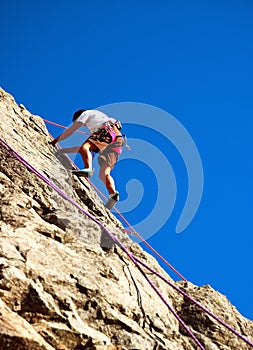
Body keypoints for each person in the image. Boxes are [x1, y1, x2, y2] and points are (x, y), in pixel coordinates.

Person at [50, 109, 124, 206]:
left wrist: (54, 142)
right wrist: (63, 151)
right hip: (118, 140)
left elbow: (73, 130)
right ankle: (113, 194)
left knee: (86, 147)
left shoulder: (86, 114)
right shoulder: (99, 120)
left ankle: (88, 169)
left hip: (107, 130)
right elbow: (83, 149)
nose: (84, 126)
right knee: (104, 174)